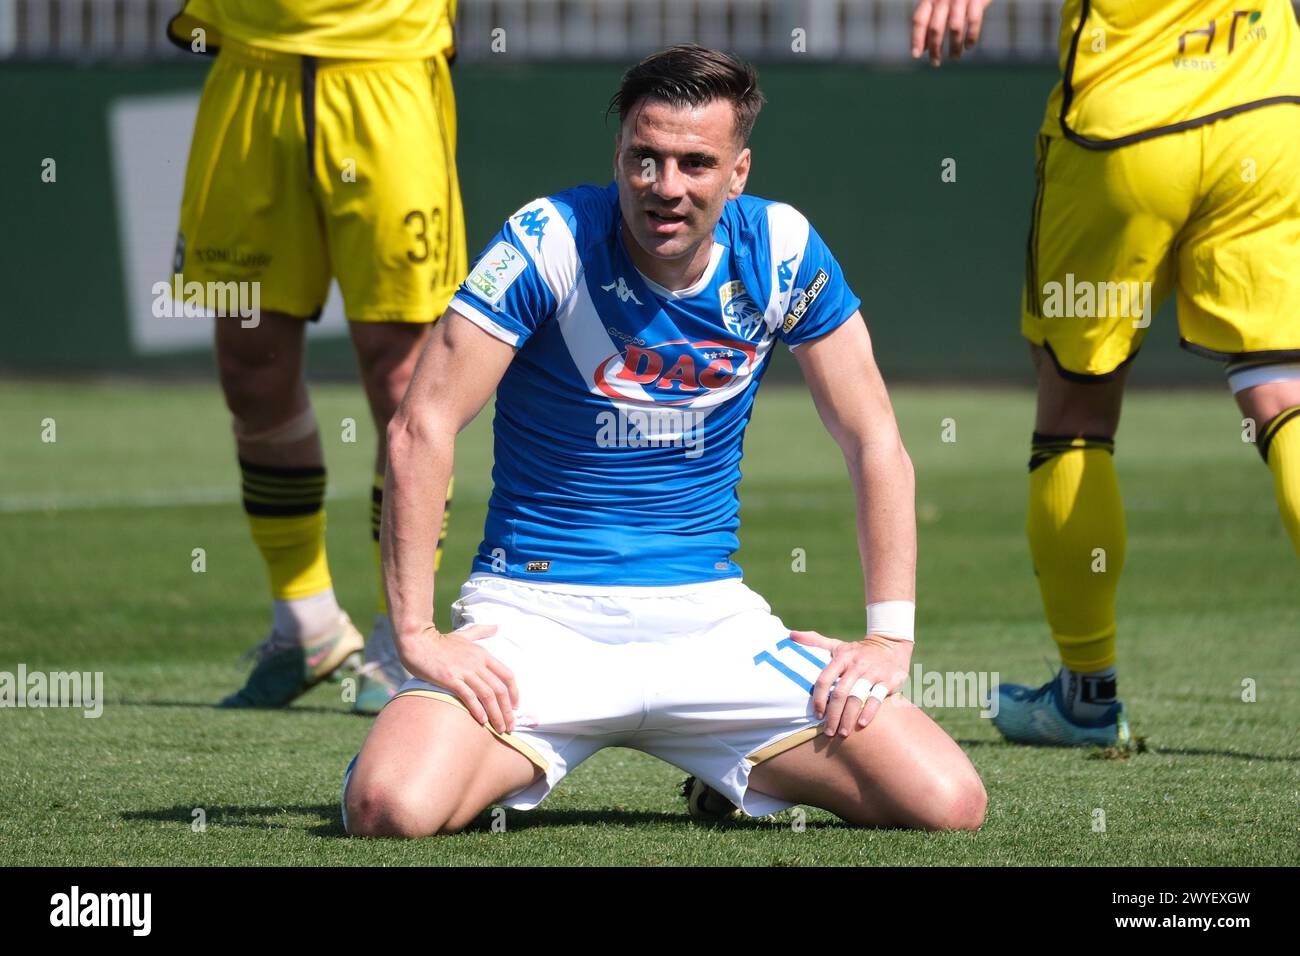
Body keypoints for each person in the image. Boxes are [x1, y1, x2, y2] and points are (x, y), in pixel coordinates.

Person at [340, 44, 987, 837]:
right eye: (643, 160)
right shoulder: (549, 239)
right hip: (538, 619)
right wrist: (416, 635)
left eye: (694, 163)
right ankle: (421, 745)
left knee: (947, 804)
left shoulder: (782, 249)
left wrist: (888, 637)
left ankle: (730, 771)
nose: (665, 188)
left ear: (738, 172)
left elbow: (874, 439)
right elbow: (421, 424)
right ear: (618, 156)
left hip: (710, 627)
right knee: (389, 808)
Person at [919, 0, 1300, 746]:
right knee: (1282, 393)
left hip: (1127, 130)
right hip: (1267, 110)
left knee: (1076, 411)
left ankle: (1086, 697)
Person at [166, 0, 467, 713]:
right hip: (251, 65)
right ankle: (304, 622)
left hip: (385, 68)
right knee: (249, 362)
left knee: (402, 374)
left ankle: (403, 635)